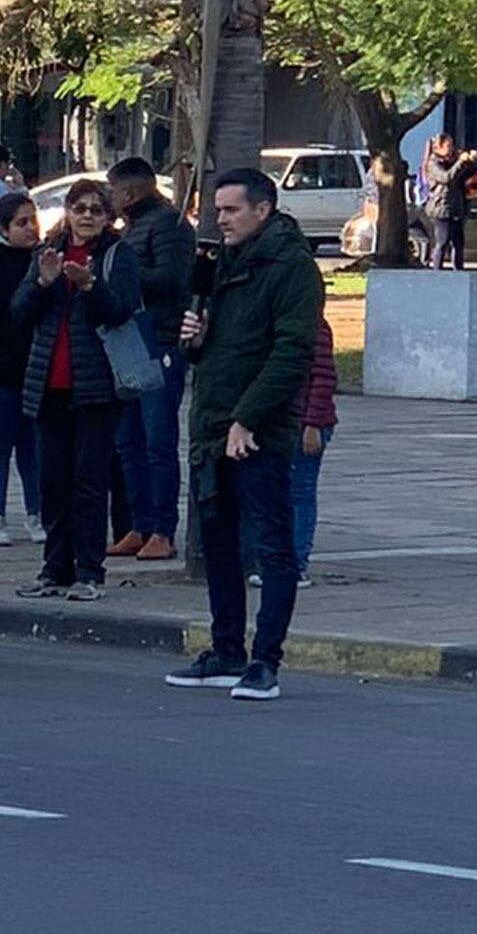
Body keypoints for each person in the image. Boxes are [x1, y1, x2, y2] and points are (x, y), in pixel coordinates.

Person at [166, 168, 322, 701]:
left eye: (231, 210)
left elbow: (292, 351)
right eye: (217, 210)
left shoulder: (290, 265)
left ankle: (265, 661)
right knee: (219, 542)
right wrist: (194, 338)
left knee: (271, 546)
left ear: (263, 209)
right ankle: (226, 649)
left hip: (258, 430)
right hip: (212, 423)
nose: (220, 219)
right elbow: (210, 346)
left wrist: (247, 417)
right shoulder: (218, 264)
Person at [10, 180, 139, 601]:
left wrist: (90, 285)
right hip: (49, 385)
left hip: (97, 388)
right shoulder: (46, 254)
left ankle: (89, 571)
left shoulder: (118, 256)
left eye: (96, 210)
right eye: (79, 208)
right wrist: (43, 283)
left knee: (89, 482)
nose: (87, 216)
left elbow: (122, 311)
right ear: (66, 211)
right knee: (53, 481)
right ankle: (54, 568)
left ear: (108, 217)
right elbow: (18, 312)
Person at [105, 157, 195, 562]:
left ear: (129, 192)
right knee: (128, 441)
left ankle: (163, 528)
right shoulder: (132, 229)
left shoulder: (169, 225)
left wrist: (126, 272)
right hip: (130, 343)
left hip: (159, 341)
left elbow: (174, 281)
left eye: (112, 191)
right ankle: (139, 523)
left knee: (157, 439)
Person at [0, 192, 43, 547]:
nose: (31, 229)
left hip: (32, 369)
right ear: (3, 227)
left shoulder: (40, 260)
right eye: (22, 223)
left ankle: (36, 513)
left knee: (32, 446)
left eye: (33, 221)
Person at [251, 313, 335, 593]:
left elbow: (323, 378)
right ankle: (278, 561)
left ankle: (296, 563)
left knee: (300, 492)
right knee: (280, 493)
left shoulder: (313, 327)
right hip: (283, 422)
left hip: (305, 423)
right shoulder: (282, 324)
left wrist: (312, 423)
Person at [422, 134, 477, 271]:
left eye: (452, 145)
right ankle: (437, 271)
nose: (452, 149)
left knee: (458, 243)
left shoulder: (451, 162)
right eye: (448, 146)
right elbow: (447, 178)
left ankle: (458, 271)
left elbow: (463, 176)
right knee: (443, 241)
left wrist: (470, 162)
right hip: (440, 207)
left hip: (455, 207)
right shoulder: (433, 163)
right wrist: (459, 162)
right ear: (438, 147)